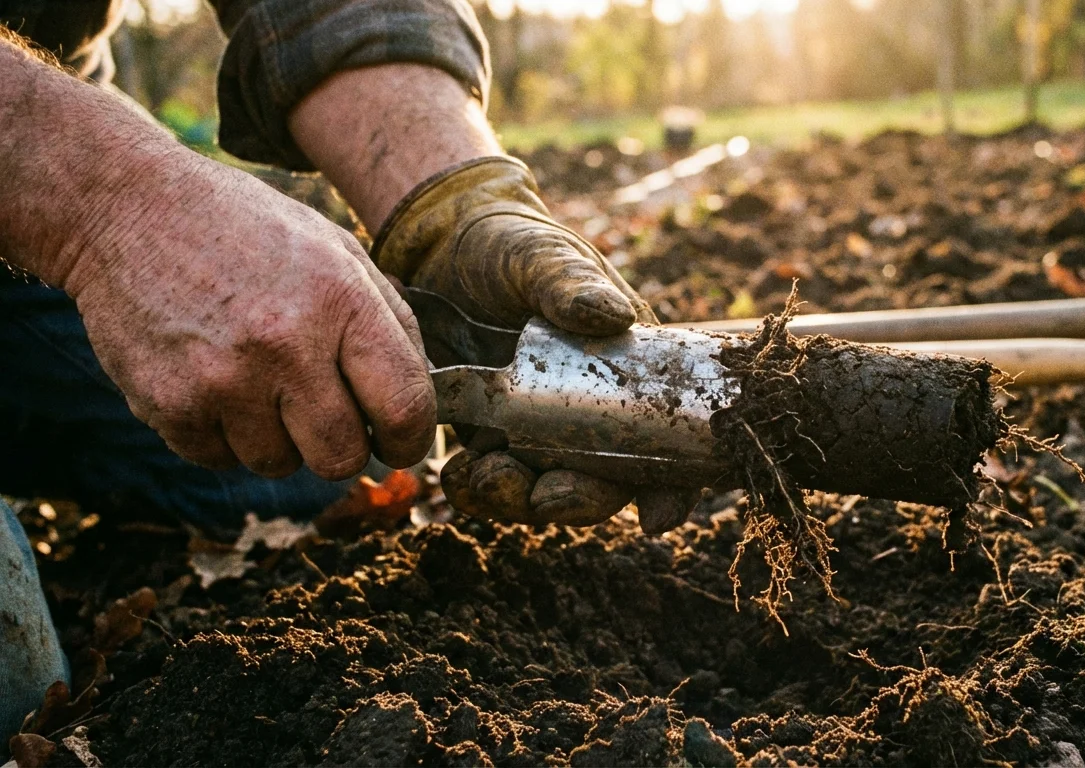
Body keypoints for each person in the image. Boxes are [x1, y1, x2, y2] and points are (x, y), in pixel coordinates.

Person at [0, 0, 681, 741]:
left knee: (304, 449)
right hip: (38, 150)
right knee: (13, 687)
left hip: (39, 127)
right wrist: (114, 208)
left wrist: (453, 204)